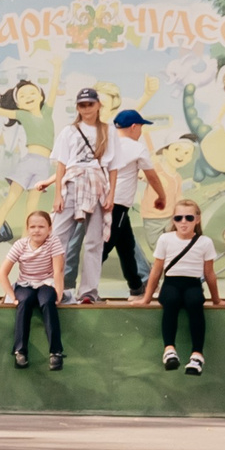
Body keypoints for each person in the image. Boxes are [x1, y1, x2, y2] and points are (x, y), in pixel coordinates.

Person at [52, 87, 129, 302]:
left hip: (97, 184)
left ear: (98, 105)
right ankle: (55, 287)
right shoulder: (69, 131)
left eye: (90, 104)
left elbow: (113, 166)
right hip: (72, 182)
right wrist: (58, 194)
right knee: (58, 238)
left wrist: (111, 195)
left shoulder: (108, 131)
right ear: (77, 107)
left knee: (94, 241)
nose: (86, 108)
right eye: (82, 105)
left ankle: (88, 292)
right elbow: (61, 165)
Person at [139, 198, 220, 376]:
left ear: (197, 219)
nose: (184, 222)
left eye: (189, 218)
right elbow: (156, 270)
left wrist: (216, 300)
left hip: (192, 284)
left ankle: (197, 355)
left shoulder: (205, 242)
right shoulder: (165, 239)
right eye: (179, 218)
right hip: (171, 283)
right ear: (173, 220)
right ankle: (169, 350)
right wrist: (146, 298)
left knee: (195, 301)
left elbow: (209, 274)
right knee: (171, 299)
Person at [104, 110, 170, 293]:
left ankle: (136, 285)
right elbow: (152, 176)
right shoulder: (136, 147)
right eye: (141, 127)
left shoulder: (106, 144)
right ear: (134, 127)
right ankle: (86, 289)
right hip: (116, 204)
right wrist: (162, 196)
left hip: (108, 202)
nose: (140, 132)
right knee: (104, 246)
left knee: (126, 246)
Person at [0, 208, 63, 370]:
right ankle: (20, 351)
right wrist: (12, 296)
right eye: (33, 227)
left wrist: (59, 293)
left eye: (41, 227)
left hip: (46, 283)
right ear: (27, 229)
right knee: (24, 301)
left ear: (49, 228)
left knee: (47, 302)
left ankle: (55, 352)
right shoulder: (20, 245)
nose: (37, 230)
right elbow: (2, 273)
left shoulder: (53, 242)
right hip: (25, 284)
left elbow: (58, 271)